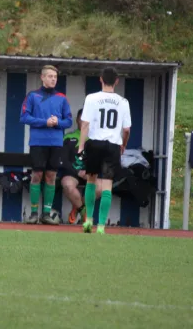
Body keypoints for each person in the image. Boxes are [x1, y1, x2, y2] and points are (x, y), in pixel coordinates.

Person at [77, 67, 131, 234]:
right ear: (117, 81)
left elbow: (85, 124)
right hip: (112, 145)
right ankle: (101, 226)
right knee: (107, 185)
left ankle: (88, 222)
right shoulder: (123, 102)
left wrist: (80, 146)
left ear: (100, 79)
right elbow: (127, 129)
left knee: (90, 181)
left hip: (94, 143)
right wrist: (123, 144)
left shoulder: (91, 98)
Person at [20, 65, 72, 225]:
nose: (53, 79)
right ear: (42, 77)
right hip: (37, 143)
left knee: (51, 177)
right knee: (37, 176)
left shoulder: (62, 98)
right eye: (50, 76)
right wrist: (45, 122)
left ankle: (47, 214)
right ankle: (34, 213)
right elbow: (24, 117)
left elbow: (69, 121)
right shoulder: (32, 96)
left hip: (56, 144)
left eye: (55, 77)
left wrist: (58, 122)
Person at [60, 108, 87, 224]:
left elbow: (100, 161)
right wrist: (78, 172)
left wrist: (90, 172)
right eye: (81, 119)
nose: (84, 122)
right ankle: (84, 212)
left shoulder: (96, 139)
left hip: (90, 174)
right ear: (77, 120)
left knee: (102, 187)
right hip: (72, 172)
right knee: (67, 186)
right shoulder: (68, 137)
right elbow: (62, 160)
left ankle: (76, 205)